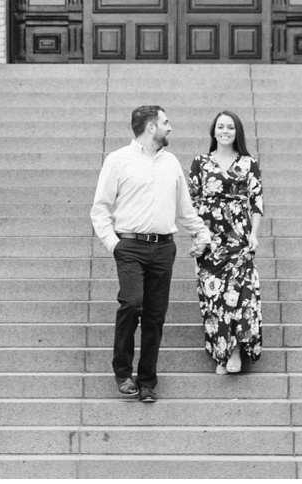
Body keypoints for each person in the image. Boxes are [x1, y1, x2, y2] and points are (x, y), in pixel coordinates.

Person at [90, 104, 212, 404]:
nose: (170, 128)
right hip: (130, 247)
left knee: (156, 316)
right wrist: (114, 244)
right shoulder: (118, 160)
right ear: (151, 127)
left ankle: (146, 381)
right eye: (166, 122)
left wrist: (201, 231)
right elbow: (100, 209)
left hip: (163, 248)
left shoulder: (170, 162)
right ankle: (122, 372)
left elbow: (184, 208)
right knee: (132, 305)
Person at [187, 110, 264, 374]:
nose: (225, 131)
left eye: (230, 127)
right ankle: (220, 353)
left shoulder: (249, 163)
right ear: (213, 131)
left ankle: (234, 351)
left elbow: (257, 203)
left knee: (240, 296)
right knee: (214, 298)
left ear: (237, 132)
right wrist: (197, 237)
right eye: (221, 127)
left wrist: (254, 234)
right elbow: (191, 204)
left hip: (239, 238)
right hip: (210, 241)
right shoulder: (200, 163)